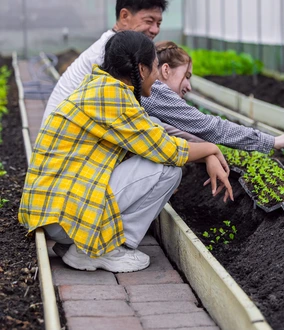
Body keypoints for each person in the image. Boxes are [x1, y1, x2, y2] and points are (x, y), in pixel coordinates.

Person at [19, 31, 233, 273]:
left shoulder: (102, 86)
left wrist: (206, 153)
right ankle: (98, 250)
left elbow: (152, 133)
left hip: (54, 209)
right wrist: (212, 148)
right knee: (167, 169)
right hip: (63, 216)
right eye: (154, 68)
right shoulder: (114, 96)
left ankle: (84, 243)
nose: (156, 76)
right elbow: (166, 150)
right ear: (141, 70)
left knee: (156, 149)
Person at [42, 0, 284, 152]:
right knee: (165, 169)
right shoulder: (125, 58)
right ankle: (120, 238)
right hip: (70, 153)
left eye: (159, 23)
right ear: (124, 16)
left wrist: (204, 148)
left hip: (60, 147)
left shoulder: (111, 45)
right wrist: (270, 141)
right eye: (149, 20)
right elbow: (199, 123)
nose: (155, 30)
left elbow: (165, 123)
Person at [141, 41, 284, 152]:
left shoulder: (149, 91)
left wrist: (207, 151)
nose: (189, 87)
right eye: (186, 76)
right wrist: (272, 141)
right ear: (165, 70)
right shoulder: (156, 92)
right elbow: (209, 127)